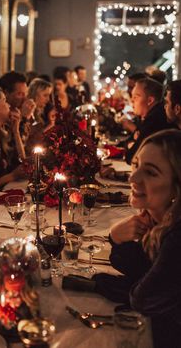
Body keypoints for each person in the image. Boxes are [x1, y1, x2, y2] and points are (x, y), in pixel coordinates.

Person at [109, 129, 181, 348]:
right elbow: (139, 268)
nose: (132, 178)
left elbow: (142, 298)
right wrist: (115, 237)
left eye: (150, 173)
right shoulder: (161, 223)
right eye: (136, 165)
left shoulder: (177, 237)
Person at [125, 77, 172, 164]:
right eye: (132, 96)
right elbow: (127, 142)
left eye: (136, 97)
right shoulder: (146, 116)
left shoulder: (155, 120)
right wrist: (132, 144)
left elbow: (131, 157)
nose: (132, 100)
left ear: (150, 100)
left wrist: (132, 145)